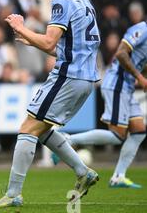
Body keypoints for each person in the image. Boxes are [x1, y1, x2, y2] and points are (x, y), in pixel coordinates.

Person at [0, 0, 101, 208]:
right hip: (86, 78)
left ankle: (13, 193)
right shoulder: (83, 0)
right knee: (44, 129)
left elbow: (50, 43)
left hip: (68, 76)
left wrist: (22, 27)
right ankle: (83, 172)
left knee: (28, 128)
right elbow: (71, 47)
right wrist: (33, 40)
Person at [54, 21, 147, 189]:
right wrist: (140, 79)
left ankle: (119, 176)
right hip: (117, 84)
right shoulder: (141, 29)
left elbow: (141, 64)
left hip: (126, 87)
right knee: (118, 135)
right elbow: (121, 53)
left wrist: (142, 75)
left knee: (139, 131)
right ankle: (67, 140)